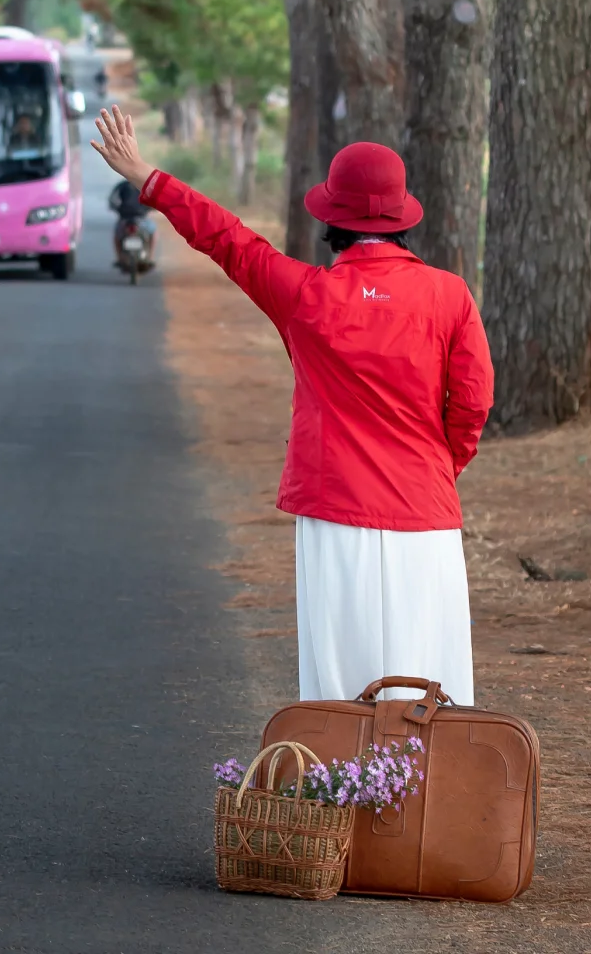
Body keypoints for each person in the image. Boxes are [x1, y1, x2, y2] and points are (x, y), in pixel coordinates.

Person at [91, 107, 493, 706]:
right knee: (433, 685)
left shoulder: (307, 295)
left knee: (341, 686)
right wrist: (436, 469)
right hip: (425, 516)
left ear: (331, 218)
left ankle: (342, 797)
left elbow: (228, 240)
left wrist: (148, 178)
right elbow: (473, 403)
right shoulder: (449, 295)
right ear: (403, 217)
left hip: (335, 511)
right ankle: (433, 799)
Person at [108, 178, 156, 265]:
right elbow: (154, 200)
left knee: (117, 236)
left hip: (125, 219)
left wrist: (117, 209)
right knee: (153, 233)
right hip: (141, 219)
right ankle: (150, 257)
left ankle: (120, 258)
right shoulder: (145, 187)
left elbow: (112, 201)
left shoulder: (121, 186)